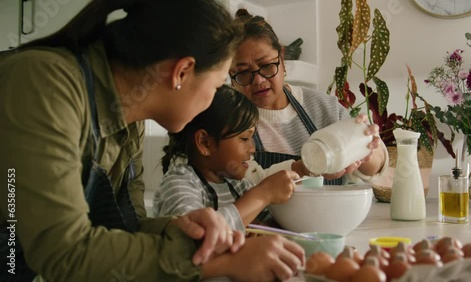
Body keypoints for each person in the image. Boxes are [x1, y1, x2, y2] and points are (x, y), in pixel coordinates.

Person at [0, 1, 304, 281]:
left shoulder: (129, 124)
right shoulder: (44, 83)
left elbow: (124, 229)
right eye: (215, 85)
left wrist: (177, 228)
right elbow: (63, 252)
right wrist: (220, 262)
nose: (213, 99)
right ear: (182, 72)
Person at [230, 9, 388, 186]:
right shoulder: (229, 122)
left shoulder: (324, 107)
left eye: (266, 66)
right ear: (228, 74)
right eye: (243, 73)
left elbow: (376, 168)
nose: (258, 80)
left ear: (282, 58)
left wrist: (366, 148)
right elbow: (244, 187)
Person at [154, 85, 299, 232]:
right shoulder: (179, 184)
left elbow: (269, 224)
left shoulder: (239, 186)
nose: (252, 149)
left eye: (251, 138)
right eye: (244, 138)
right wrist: (264, 194)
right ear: (205, 143)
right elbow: (193, 237)